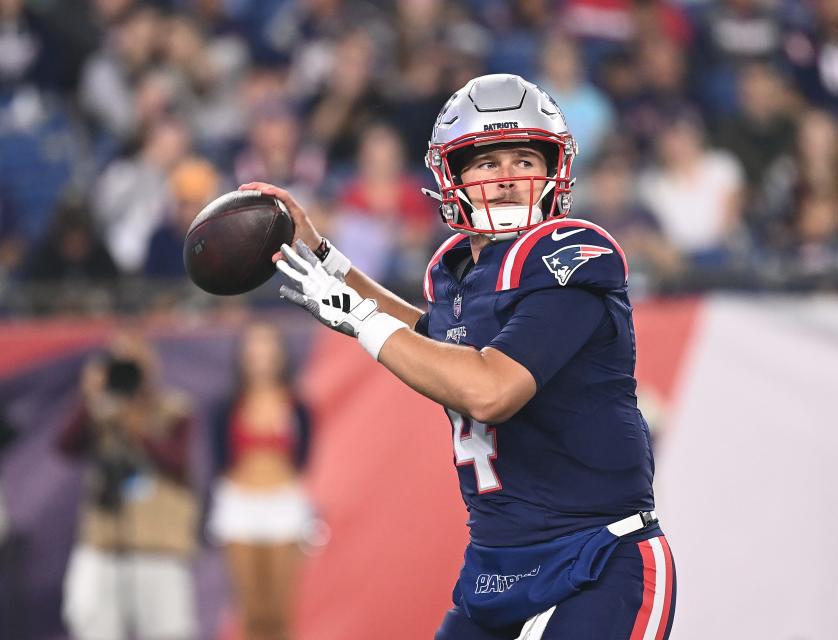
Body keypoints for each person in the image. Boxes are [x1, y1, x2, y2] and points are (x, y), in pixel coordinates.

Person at [242, 73, 676, 640]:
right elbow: (431, 340)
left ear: (554, 168)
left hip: (596, 558)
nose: (506, 178)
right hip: (495, 568)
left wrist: (356, 312)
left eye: (524, 159)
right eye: (486, 162)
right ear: (452, 174)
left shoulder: (574, 255)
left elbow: (489, 389)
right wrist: (325, 258)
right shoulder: (457, 269)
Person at [57, 331, 198, 640]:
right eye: (120, 361)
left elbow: (178, 462)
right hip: (103, 546)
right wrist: (90, 396)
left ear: (153, 365)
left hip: (158, 546)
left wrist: (138, 429)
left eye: (136, 361)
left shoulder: (174, 408)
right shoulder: (100, 410)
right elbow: (65, 446)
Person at [207, 322, 316, 640]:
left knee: (279, 614)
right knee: (250, 613)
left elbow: (302, 459)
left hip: (284, 505)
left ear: (281, 354)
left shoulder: (297, 406)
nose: (261, 354)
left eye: (267, 345)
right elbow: (220, 459)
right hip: (239, 506)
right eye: (254, 346)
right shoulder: (227, 406)